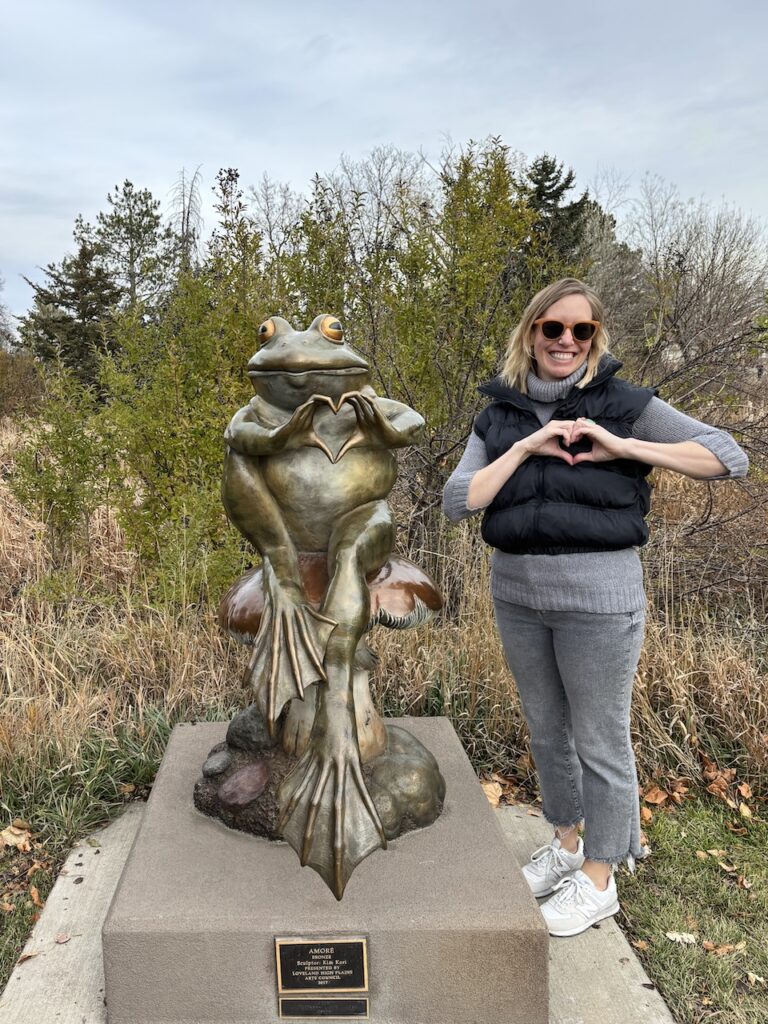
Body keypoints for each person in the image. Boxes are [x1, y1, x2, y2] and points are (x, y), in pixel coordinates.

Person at [442, 278, 748, 938]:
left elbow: (729, 456)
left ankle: (601, 877)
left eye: (581, 331)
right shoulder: (498, 414)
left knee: (600, 739)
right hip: (518, 598)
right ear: (532, 333)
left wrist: (625, 447)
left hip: (601, 604)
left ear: (595, 338)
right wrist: (526, 445)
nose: (566, 342)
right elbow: (458, 499)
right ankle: (569, 845)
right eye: (553, 328)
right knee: (548, 730)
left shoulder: (626, 404)